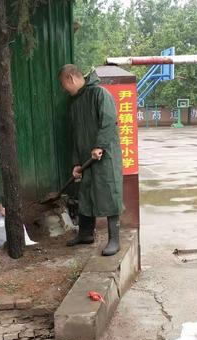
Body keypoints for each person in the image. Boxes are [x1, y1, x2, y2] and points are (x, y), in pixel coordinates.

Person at [58, 64, 123, 256]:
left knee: (110, 194)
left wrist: (99, 146)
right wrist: (76, 163)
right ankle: (86, 234)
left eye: (63, 85)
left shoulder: (100, 94)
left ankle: (114, 240)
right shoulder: (75, 103)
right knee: (85, 195)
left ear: (71, 78)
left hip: (105, 157)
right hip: (87, 158)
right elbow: (77, 135)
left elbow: (109, 122)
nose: (64, 89)